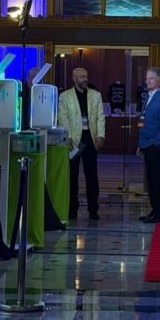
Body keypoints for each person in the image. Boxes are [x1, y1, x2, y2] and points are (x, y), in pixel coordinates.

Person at [57, 67, 105, 221]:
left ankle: (93, 209)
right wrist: (68, 136)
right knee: (72, 176)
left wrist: (101, 135)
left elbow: (100, 117)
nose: (85, 79)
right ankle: (72, 210)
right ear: (74, 78)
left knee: (92, 176)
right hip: (74, 141)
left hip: (90, 139)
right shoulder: (65, 96)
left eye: (86, 76)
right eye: (82, 77)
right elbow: (62, 118)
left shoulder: (95, 95)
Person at [136, 67, 160, 223]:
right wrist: (141, 144)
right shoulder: (150, 96)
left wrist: (156, 144)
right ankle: (155, 210)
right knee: (152, 180)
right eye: (146, 78)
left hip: (156, 146)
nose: (147, 81)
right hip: (147, 144)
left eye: (150, 78)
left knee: (158, 180)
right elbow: (145, 121)